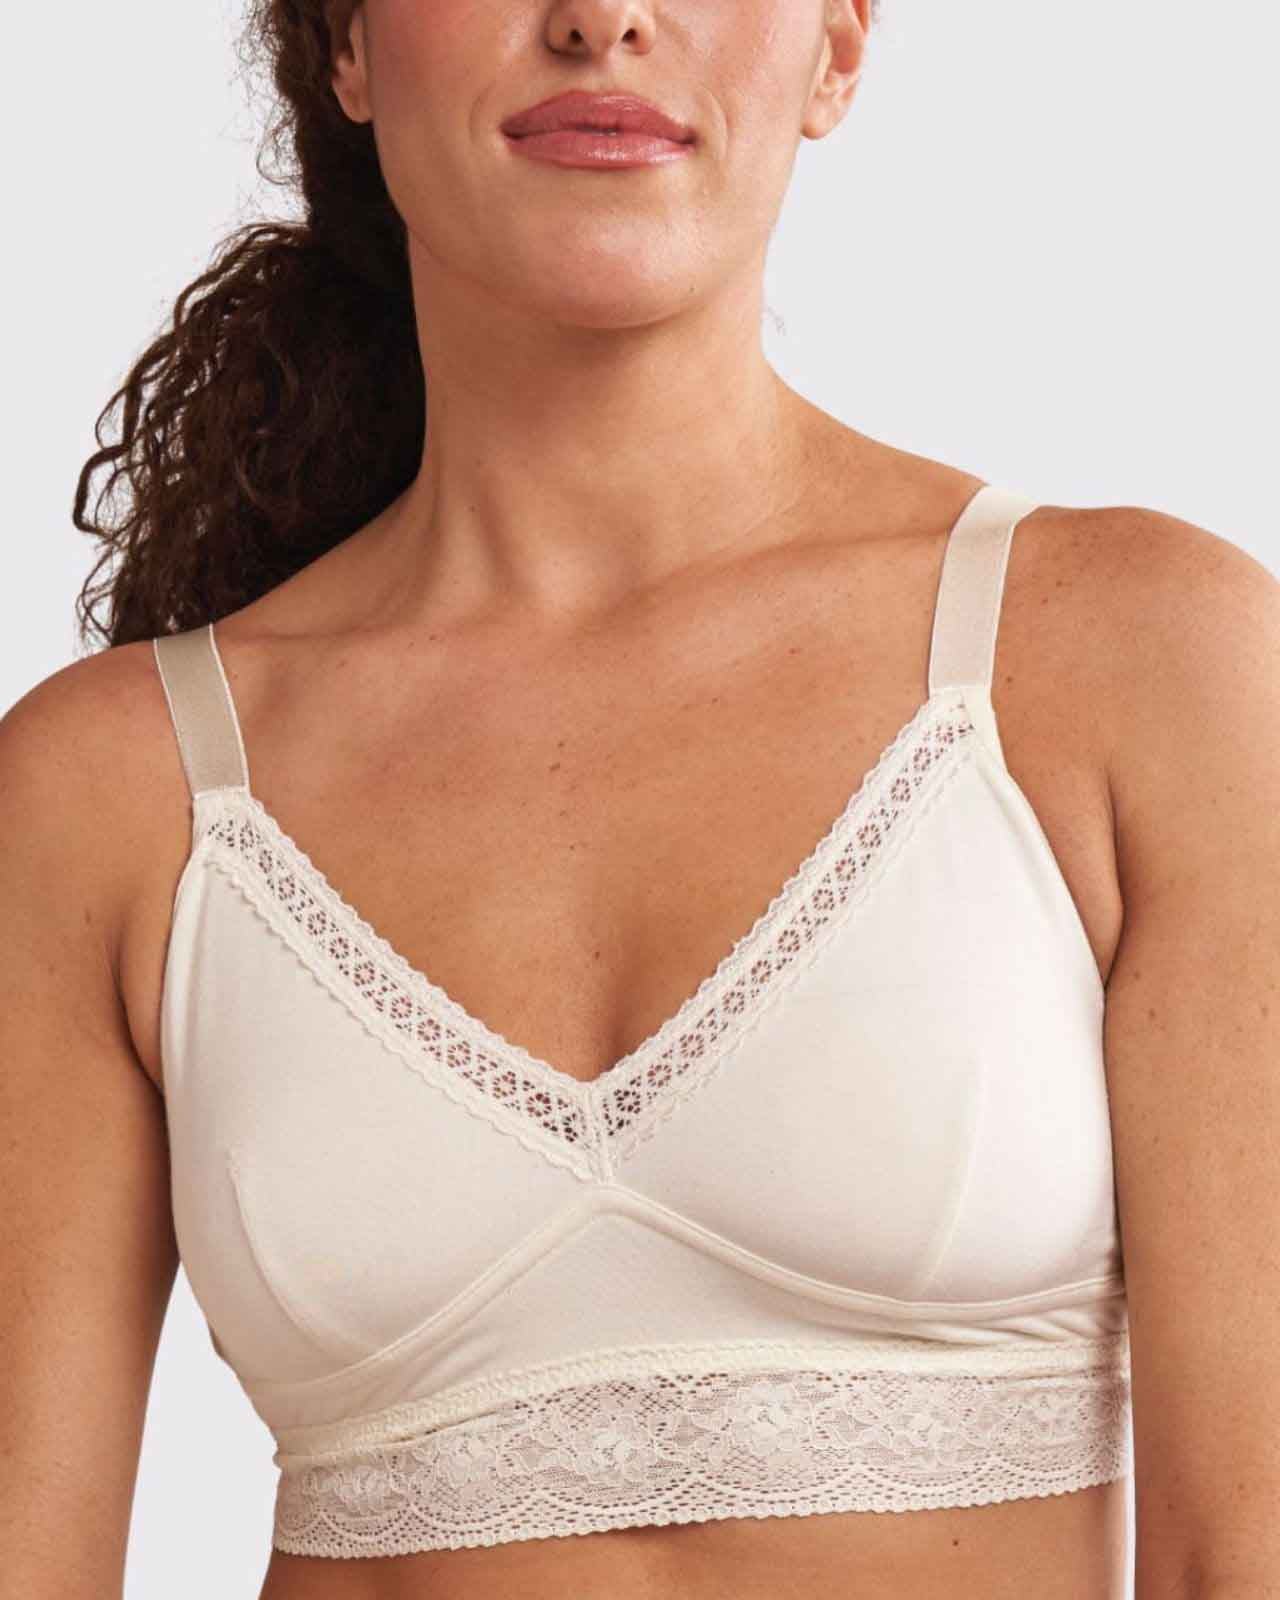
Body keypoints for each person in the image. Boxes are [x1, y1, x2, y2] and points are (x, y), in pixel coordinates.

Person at [3, 2, 1277, 1597]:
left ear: (837, 50)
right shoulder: (120, 791)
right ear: (348, 49)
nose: (600, 18)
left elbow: (1246, 1551)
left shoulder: (1134, 660)